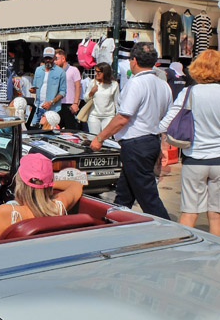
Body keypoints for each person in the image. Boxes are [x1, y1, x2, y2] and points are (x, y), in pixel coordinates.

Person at [90, 42, 172, 219]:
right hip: (150, 141)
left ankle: (168, 229)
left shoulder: (136, 83)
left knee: (147, 196)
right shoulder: (163, 85)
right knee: (124, 191)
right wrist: (162, 146)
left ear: (133, 61)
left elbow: (123, 117)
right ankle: (115, 220)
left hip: (137, 144)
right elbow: (166, 119)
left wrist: (100, 137)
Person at [159, 49, 220, 236]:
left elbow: (164, 124)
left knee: (189, 212)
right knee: (216, 214)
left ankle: (185, 252)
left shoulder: (188, 93)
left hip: (194, 158)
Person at [0, 153, 83, 243]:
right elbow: (76, 185)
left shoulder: (8, 212)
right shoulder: (58, 207)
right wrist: (44, 185)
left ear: (19, 182)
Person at [30, 47, 67, 125]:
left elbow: (63, 92)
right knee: (32, 129)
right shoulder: (38, 70)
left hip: (52, 109)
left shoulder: (60, 72)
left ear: (54, 58)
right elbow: (35, 86)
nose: (47, 60)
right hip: (38, 107)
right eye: (46, 58)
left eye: (50, 58)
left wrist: (51, 102)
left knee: (48, 132)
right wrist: (33, 90)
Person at [83, 63, 120, 135]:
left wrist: (117, 117)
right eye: (95, 71)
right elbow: (85, 99)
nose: (96, 73)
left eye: (98, 72)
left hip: (108, 116)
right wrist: (91, 92)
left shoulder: (114, 84)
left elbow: (116, 102)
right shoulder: (92, 83)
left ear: (105, 72)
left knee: (107, 139)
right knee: (93, 137)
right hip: (94, 115)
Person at [54, 49, 81, 129]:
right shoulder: (54, 72)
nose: (55, 62)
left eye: (56, 59)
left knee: (71, 129)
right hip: (57, 104)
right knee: (57, 129)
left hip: (69, 104)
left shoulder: (73, 70)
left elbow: (78, 87)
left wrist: (75, 103)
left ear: (63, 59)